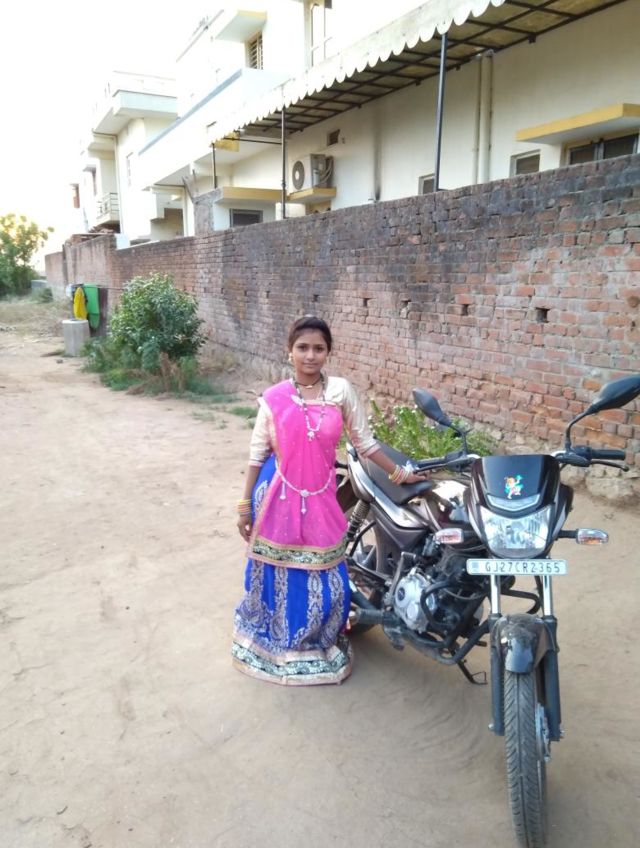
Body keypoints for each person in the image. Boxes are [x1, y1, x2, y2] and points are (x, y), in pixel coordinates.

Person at [231, 316, 426, 686]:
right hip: (277, 495)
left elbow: (365, 443)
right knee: (279, 570)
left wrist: (400, 474)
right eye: (302, 347)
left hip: (322, 496)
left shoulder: (340, 392)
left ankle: (316, 640)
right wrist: (244, 506)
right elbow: (257, 454)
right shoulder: (274, 398)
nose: (310, 355)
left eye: (318, 348)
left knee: (324, 571)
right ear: (289, 352)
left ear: (328, 353)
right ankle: (279, 643)